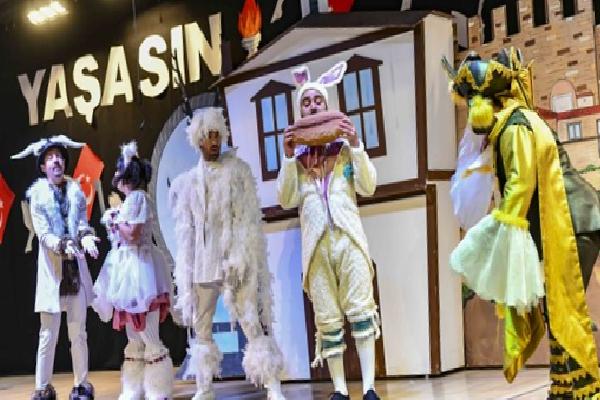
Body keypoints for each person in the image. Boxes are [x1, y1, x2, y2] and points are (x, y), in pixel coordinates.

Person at [446, 47, 600, 399]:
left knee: (563, 309)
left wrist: (498, 229)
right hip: (566, 222)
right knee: (554, 308)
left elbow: (521, 181)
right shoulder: (515, 121)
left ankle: (585, 390)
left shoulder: (514, 126)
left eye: (474, 104)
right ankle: (564, 388)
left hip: (572, 221)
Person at [277, 61, 380, 400]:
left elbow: (368, 186)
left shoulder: (345, 151)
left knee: (361, 309)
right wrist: (288, 158)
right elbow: (286, 198)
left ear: (327, 103)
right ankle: (339, 389)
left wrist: (357, 144)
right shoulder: (298, 159)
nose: (312, 106)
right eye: (306, 102)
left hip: (348, 238)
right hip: (316, 246)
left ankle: (368, 387)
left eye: (317, 100)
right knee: (328, 318)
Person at [169, 107, 286, 400]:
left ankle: (272, 384)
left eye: (217, 135)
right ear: (198, 140)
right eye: (209, 136)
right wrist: (187, 270)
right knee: (201, 327)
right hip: (202, 264)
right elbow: (186, 232)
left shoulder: (237, 171)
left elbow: (248, 218)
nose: (214, 141)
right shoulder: (187, 182)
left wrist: (241, 257)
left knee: (250, 320)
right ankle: (204, 386)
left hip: (233, 260)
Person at [11, 135, 99, 400]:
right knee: (48, 334)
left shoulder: (75, 191)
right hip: (53, 272)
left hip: (74, 273)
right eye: (50, 158)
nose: (56, 161)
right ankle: (42, 388)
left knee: (78, 333)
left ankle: (81, 385)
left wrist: (86, 238)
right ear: (43, 166)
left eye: (59, 156)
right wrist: (63, 245)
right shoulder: (38, 197)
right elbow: (44, 234)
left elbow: (81, 223)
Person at [92, 141, 173, 400]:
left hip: (141, 270)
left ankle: (158, 388)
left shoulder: (138, 198)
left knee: (148, 333)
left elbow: (134, 235)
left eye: (119, 171)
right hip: (128, 270)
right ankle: (133, 387)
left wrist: (116, 221)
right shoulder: (130, 200)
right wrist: (115, 221)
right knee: (134, 336)